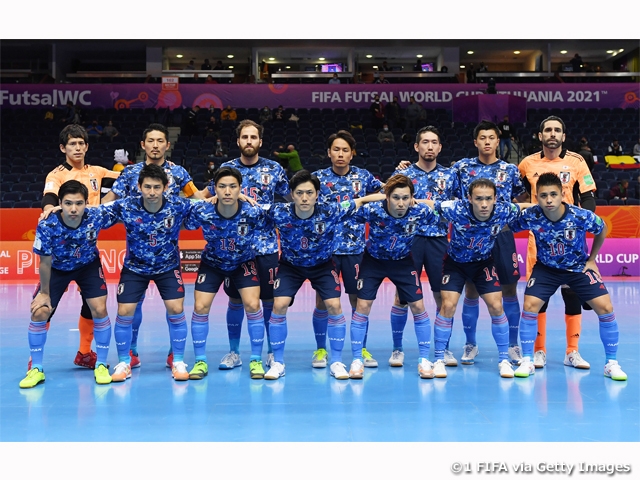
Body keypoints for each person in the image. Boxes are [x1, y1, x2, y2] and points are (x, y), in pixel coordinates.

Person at [261, 170, 382, 380]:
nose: (304, 198)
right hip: (291, 267)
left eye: (309, 193)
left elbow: (361, 200)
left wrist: (392, 196)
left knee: (334, 306)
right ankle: (278, 362)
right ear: (292, 194)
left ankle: (336, 361)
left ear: (317, 194)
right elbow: (249, 207)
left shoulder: (330, 210)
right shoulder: (278, 211)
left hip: (323, 266)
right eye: (299, 193)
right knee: (279, 305)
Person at [101, 123, 205, 368]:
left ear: (167, 145)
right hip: (136, 252)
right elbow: (109, 201)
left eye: (160, 141)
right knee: (131, 305)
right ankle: (131, 351)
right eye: (151, 141)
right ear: (143, 145)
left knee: (174, 306)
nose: (155, 146)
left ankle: (174, 355)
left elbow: (198, 200)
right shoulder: (130, 173)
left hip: (168, 250)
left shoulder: (179, 173)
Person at [509, 173, 627, 381]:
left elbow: (602, 228)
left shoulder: (580, 215)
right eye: (543, 195)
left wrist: (592, 259)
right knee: (530, 306)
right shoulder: (531, 215)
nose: (549, 200)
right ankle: (528, 360)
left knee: (606, 308)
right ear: (536, 197)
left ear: (562, 194)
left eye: (553, 194)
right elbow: (506, 226)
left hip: (578, 268)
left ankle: (611, 363)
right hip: (546, 269)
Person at [200, 119, 290, 370]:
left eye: (253, 137)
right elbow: (207, 197)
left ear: (260, 141)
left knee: (269, 301)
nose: (249, 141)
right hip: (235, 251)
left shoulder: (274, 168)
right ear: (238, 141)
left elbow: (291, 198)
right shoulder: (226, 168)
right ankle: (234, 352)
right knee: (236, 301)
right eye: (244, 137)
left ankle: (271, 352)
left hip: (266, 247)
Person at [425, 178, 532, 378]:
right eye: (479, 199)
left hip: (483, 264)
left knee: (497, 306)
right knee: (447, 306)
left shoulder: (504, 210)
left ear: (495, 199)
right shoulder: (455, 208)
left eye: (488, 199)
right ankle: (439, 359)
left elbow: (525, 206)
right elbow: (430, 204)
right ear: (469, 198)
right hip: (455, 264)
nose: (484, 204)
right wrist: (409, 201)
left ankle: (503, 360)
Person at [36, 124, 120, 372]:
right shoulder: (57, 175)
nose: (78, 148)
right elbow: (49, 198)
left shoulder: (98, 171)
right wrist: (48, 210)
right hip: (60, 256)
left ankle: (84, 353)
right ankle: (35, 362)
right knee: (43, 308)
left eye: (81, 143)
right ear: (63, 148)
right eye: (72, 144)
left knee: (92, 306)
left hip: (87, 252)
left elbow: (126, 179)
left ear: (87, 146)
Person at [20, 180, 117, 388]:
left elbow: (123, 207)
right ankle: (36, 368)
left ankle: (101, 364)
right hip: (57, 268)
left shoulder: (96, 215)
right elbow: (44, 262)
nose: (74, 209)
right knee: (40, 311)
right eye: (68, 203)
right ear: (60, 204)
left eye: (79, 203)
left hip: (88, 266)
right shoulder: (48, 224)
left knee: (100, 308)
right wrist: (44, 293)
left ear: (86, 203)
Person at [518, 115, 597, 370]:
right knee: (538, 297)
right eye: (548, 130)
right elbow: (515, 193)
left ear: (563, 136)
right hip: (539, 241)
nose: (552, 134)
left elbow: (588, 197)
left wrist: (581, 225)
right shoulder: (527, 164)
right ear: (540, 136)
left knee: (571, 294)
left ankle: (572, 351)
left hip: (571, 242)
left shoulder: (577, 162)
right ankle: (538, 351)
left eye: (557, 130)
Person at [450, 120, 526, 366]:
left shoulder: (510, 170)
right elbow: (444, 191)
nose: (487, 142)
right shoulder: (461, 168)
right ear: (475, 142)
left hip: (501, 236)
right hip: (471, 237)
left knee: (509, 290)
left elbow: (521, 197)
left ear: (497, 141)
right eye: (482, 138)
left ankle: (513, 345)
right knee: (471, 290)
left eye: (491, 137)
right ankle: (470, 344)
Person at [348, 174, 439, 379]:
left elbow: (440, 210)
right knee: (362, 306)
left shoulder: (420, 211)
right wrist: (363, 199)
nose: (401, 203)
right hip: (373, 262)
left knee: (418, 307)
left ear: (412, 198)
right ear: (387, 197)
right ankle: (356, 360)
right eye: (396, 197)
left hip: (403, 262)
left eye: (405, 198)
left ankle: (424, 360)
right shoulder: (373, 210)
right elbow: (348, 213)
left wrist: (420, 202)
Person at [184, 167, 269, 380]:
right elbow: (183, 215)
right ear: (214, 188)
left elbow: (278, 216)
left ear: (240, 189)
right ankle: (200, 361)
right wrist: (204, 200)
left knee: (252, 305)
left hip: (243, 262)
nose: (227, 191)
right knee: (200, 307)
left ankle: (256, 360)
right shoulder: (203, 211)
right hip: (212, 264)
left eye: (233, 186)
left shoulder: (253, 211)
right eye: (222, 186)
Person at [311, 130, 383, 369]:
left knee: (358, 301)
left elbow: (386, 192)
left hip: (355, 250)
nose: (340, 154)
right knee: (323, 301)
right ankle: (321, 349)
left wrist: (401, 171)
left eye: (345, 150)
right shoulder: (317, 178)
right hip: (325, 251)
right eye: (336, 149)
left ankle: (360, 348)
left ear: (352, 154)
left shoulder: (364, 177)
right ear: (328, 153)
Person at [389, 126, 459, 368]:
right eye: (425, 142)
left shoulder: (451, 175)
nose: (430, 146)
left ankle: (443, 348)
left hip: (439, 240)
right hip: (409, 241)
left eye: (434, 142)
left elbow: (462, 204)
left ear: (440, 147)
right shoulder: (404, 175)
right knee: (401, 297)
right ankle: (397, 349)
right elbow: (387, 201)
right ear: (416, 146)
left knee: (443, 297)